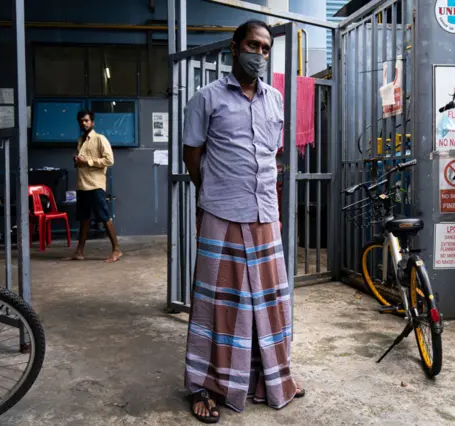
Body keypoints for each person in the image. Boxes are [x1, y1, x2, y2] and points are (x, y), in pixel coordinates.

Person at [182, 20, 305, 423]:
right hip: (222, 212)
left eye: (266, 48)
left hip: (265, 214)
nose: (260, 54)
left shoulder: (275, 100)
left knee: (270, 305)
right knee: (218, 305)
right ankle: (206, 385)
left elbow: (272, 160)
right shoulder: (207, 98)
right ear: (234, 48)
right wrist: (212, 195)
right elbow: (193, 157)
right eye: (253, 46)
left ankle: (270, 375)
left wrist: (274, 211)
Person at [69, 109, 122, 263]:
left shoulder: (100, 139)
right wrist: (77, 161)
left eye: (86, 121)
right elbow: (82, 163)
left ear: (92, 122)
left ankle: (116, 250)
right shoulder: (80, 140)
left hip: (95, 185)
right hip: (82, 184)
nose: (83, 123)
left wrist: (88, 162)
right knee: (84, 219)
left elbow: (109, 160)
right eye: (81, 121)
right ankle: (79, 252)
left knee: (104, 217)